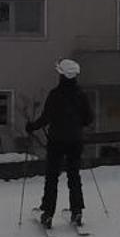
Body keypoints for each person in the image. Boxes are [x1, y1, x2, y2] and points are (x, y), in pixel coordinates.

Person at [25, 58, 93, 228]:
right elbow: (89, 118)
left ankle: (48, 213)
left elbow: (46, 118)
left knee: (52, 177)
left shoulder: (55, 95)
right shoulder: (81, 95)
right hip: (76, 141)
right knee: (74, 175)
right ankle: (77, 211)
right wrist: (77, 125)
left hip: (56, 141)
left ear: (62, 75)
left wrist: (32, 127)